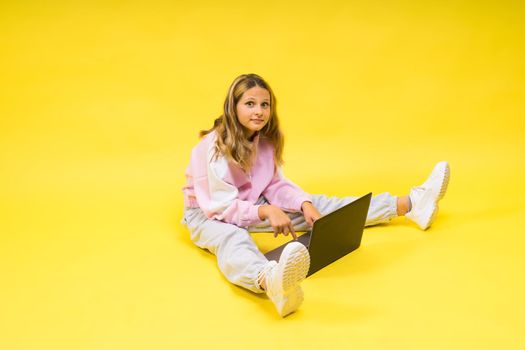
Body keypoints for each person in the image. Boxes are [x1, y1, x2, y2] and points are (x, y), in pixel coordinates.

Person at [181, 73, 450, 317]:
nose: (259, 111)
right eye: (250, 104)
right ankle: (270, 281)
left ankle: (410, 205)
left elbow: (274, 185)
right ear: (234, 107)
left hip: (250, 203)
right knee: (232, 237)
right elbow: (219, 207)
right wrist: (265, 211)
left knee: (317, 206)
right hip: (207, 213)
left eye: (265, 105)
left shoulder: (266, 141)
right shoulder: (211, 148)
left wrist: (304, 203)